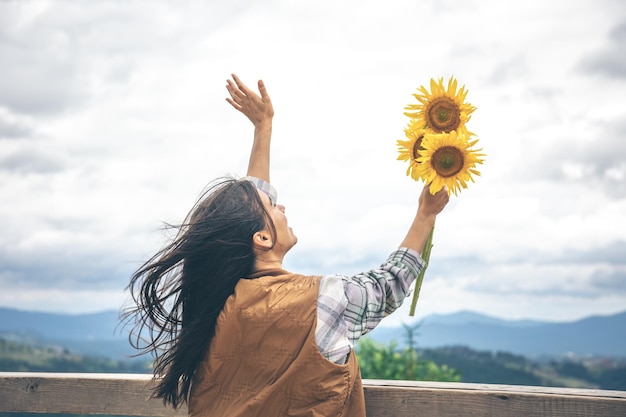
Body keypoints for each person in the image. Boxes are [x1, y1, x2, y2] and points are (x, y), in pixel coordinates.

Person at [123, 74, 450, 417]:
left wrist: (263, 129)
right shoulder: (322, 302)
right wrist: (425, 215)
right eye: (272, 207)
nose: (282, 207)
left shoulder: (216, 304)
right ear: (261, 238)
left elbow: (242, 218)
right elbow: (390, 283)